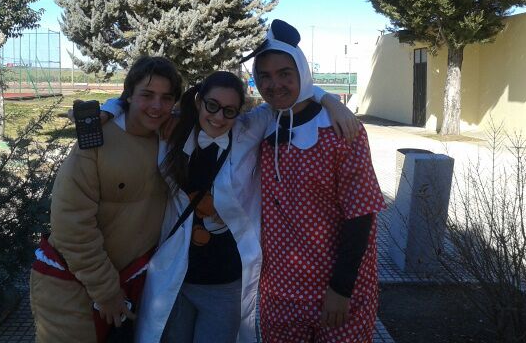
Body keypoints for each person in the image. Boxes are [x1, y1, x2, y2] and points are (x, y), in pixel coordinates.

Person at [100, 71, 358, 343]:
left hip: (225, 284)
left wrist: (330, 101)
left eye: (229, 110)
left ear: (239, 112)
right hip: (176, 278)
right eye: (212, 105)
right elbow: (136, 108)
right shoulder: (174, 131)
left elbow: (286, 95)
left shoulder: (249, 130)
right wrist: (107, 110)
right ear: (199, 101)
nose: (219, 117)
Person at [248, 19, 386, 342]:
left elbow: (361, 214)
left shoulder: (342, 131)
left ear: (302, 72)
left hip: (338, 297)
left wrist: (341, 288)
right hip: (279, 294)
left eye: (285, 73)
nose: (274, 84)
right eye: (264, 75)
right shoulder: (261, 125)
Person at [29, 56, 183, 343]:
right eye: (147, 95)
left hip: (133, 285)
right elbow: (71, 223)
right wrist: (107, 291)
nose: (157, 106)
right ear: (129, 95)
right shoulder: (96, 140)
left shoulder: (167, 140)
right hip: (73, 289)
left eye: (166, 98)